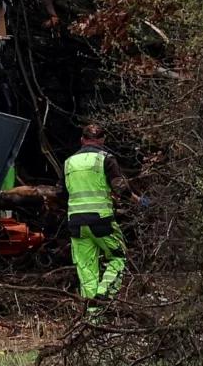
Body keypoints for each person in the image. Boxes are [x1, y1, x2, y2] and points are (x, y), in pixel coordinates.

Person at [62, 124, 147, 304]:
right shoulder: (105, 159)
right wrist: (139, 201)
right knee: (118, 256)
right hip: (101, 222)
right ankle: (103, 293)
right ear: (102, 140)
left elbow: (64, 192)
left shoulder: (69, 162)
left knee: (86, 269)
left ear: (82, 140)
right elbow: (120, 188)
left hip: (76, 223)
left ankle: (92, 316)